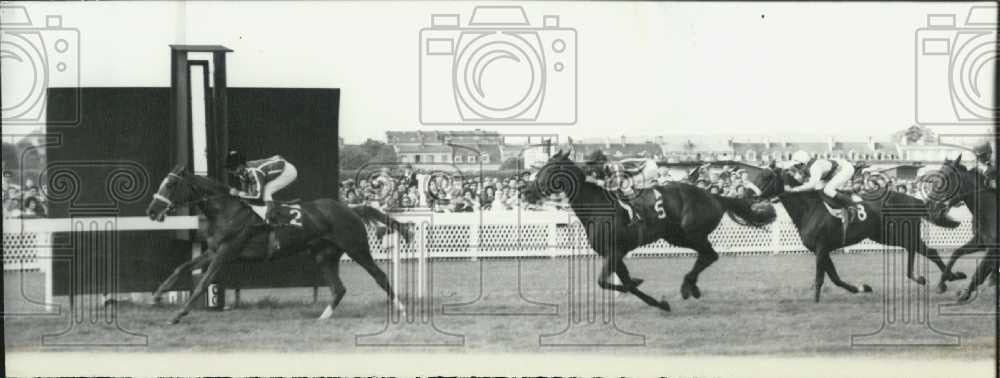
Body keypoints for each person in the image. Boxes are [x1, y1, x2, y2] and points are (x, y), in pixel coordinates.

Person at [225, 150, 299, 224]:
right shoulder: (242, 173)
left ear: (241, 165)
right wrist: (241, 194)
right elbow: (246, 194)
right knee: (260, 193)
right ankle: (273, 210)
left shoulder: (253, 172)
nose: (233, 173)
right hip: (275, 169)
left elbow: (256, 195)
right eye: (230, 170)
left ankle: (271, 219)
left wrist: (238, 193)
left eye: (233, 169)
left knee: (266, 190)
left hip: (288, 172)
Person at [785, 150, 858, 211]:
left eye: (797, 166)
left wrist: (794, 189)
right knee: (819, 188)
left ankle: (852, 205)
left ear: (802, 164)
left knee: (828, 189)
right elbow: (804, 182)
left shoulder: (815, 167)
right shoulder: (808, 166)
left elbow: (811, 185)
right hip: (834, 171)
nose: (796, 168)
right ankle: (838, 205)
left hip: (845, 169)